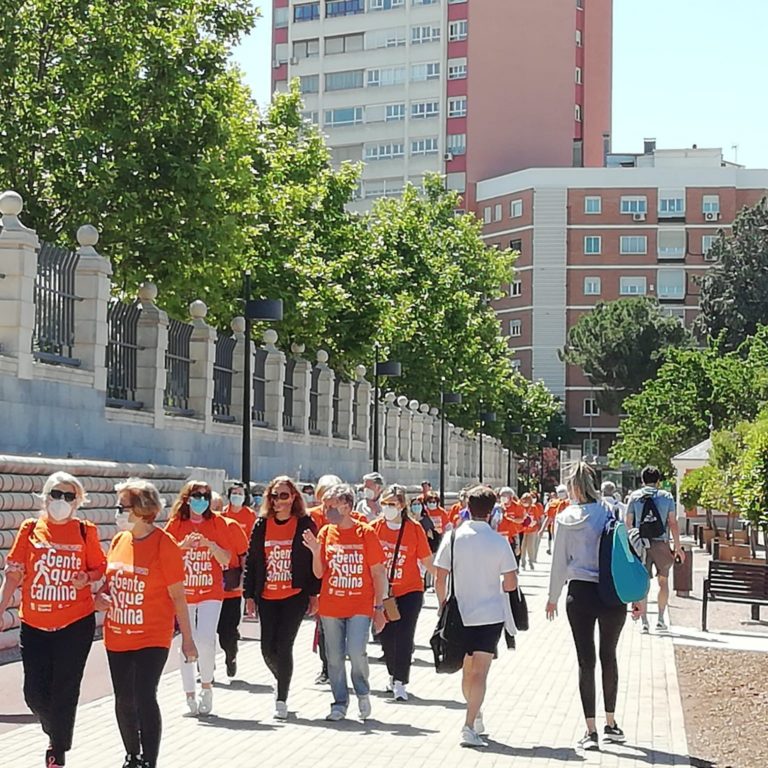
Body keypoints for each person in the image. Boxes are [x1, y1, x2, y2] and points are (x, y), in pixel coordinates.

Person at [0, 471, 106, 768]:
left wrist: (87, 578)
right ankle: (53, 728)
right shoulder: (30, 528)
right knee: (34, 694)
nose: (61, 501)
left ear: (78, 502)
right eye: (56, 495)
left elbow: (100, 567)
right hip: (34, 624)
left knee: (65, 687)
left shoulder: (86, 531)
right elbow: (13, 573)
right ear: (45, 497)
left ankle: (57, 749)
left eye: (68, 496)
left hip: (75, 623)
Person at [98, 478, 197, 768]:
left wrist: (188, 641)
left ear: (142, 509)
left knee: (143, 695)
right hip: (117, 635)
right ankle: (132, 755)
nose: (118, 512)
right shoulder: (119, 540)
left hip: (152, 636)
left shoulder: (164, 545)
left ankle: (149, 760)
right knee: (124, 699)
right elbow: (109, 583)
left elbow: (179, 597)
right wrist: (101, 597)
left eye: (122, 506)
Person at [546, 462, 628, 751]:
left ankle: (590, 730)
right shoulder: (610, 511)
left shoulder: (566, 517)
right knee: (609, 655)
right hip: (611, 590)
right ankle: (611, 722)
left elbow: (559, 562)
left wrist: (552, 596)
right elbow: (626, 551)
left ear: (572, 487)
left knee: (585, 660)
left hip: (579, 592)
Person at [435, 485, 518, 749]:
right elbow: (511, 582)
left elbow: (439, 576)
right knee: (480, 672)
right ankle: (470, 723)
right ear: (493, 509)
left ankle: (474, 712)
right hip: (490, 614)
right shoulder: (499, 541)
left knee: (467, 671)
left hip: (460, 612)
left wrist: (441, 604)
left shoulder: (453, 537)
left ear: (467, 508)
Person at [302, 483, 388, 721]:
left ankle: (362, 692)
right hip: (331, 605)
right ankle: (339, 702)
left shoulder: (366, 533)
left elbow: (378, 572)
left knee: (356, 651)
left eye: (331, 506)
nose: (326, 510)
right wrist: (315, 550)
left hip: (360, 604)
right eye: (325, 506)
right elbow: (319, 574)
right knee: (334, 656)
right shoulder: (326, 533)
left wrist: (379, 607)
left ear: (347, 506)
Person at [243, 476, 320, 719]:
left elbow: (312, 562)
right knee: (267, 648)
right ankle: (282, 676)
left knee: (284, 645)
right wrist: (249, 595)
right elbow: (253, 561)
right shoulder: (261, 525)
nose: (278, 501)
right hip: (267, 594)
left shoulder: (305, 523)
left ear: (294, 497)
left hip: (294, 594)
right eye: (274, 496)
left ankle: (281, 697)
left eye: (283, 496)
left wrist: (313, 594)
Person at [164, 480, 234, 716]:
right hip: (183, 592)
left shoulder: (218, 523)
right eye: (196, 495)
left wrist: (210, 545)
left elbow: (226, 559)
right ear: (187, 497)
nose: (201, 500)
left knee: (206, 639)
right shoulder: (175, 524)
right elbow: (163, 555)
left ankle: (207, 686)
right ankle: (189, 693)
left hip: (210, 591)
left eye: (205, 496)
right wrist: (181, 547)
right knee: (188, 640)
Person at [372, 485, 433, 701]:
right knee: (386, 636)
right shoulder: (374, 528)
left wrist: (443, 580)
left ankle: (400, 681)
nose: (388, 508)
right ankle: (392, 673)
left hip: (410, 590)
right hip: (384, 594)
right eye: (385, 504)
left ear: (401, 505)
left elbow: (427, 559)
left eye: (392, 504)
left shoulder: (414, 529)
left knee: (405, 635)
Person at [625, 466, 684, 633]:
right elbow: (672, 523)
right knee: (663, 582)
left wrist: (632, 542)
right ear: (658, 481)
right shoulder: (666, 496)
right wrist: (677, 546)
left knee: (643, 582)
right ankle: (660, 619)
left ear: (642, 480)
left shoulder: (635, 497)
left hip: (640, 544)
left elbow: (628, 522)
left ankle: (644, 621)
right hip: (662, 544)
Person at [305, 473, 343, 684]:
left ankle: (336, 665)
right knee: (323, 627)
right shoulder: (310, 517)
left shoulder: (346, 515)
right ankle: (326, 667)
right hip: (318, 575)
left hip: (341, 576)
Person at [217, 481, 256, 677]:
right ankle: (206, 668)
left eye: (240, 493)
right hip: (209, 586)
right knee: (207, 632)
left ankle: (230, 652)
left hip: (231, 580)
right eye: (234, 493)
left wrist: (246, 576)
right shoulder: (222, 515)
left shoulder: (247, 516)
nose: (237, 496)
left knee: (228, 630)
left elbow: (247, 548)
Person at [544, 485, 570, 555]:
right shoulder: (553, 503)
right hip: (556, 528)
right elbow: (549, 517)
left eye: (563, 492)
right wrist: (542, 529)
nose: (561, 493)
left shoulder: (571, 503)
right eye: (559, 492)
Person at [518, 493, 541, 570]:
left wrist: (537, 526)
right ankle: (523, 562)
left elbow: (537, 519)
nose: (525, 502)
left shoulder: (534, 508)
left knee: (530, 547)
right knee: (522, 546)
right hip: (522, 530)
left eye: (527, 500)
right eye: (524, 500)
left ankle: (531, 561)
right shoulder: (520, 507)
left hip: (532, 530)